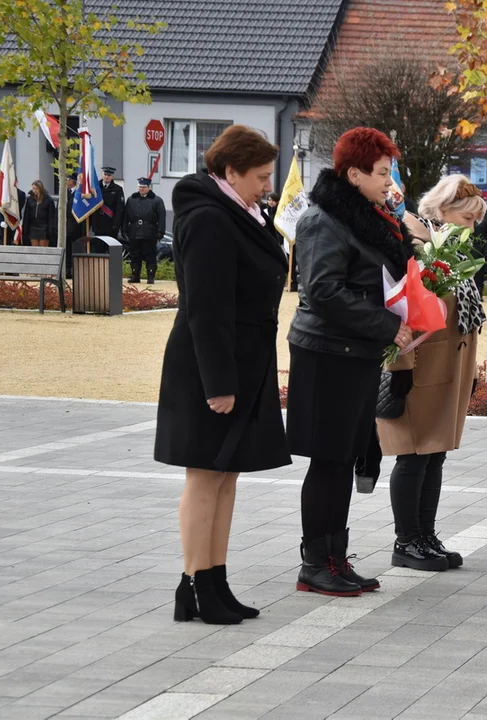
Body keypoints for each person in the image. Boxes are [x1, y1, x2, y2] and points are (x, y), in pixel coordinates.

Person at [154, 125, 290, 624]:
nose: (267, 186)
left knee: (227, 474)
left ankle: (215, 578)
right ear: (229, 172)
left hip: (242, 363)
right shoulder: (210, 219)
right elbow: (206, 311)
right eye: (260, 177)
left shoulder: (242, 212)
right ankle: (193, 583)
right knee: (205, 475)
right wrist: (219, 385)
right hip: (210, 368)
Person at [286, 127, 414, 597]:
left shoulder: (365, 216)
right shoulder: (325, 220)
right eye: (382, 172)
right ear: (354, 173)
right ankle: (316, 564)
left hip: (352, 352)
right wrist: (386, 326)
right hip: (326, 354)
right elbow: (321, 290)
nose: (388, 180)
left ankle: (335, 558)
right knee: (329, 460)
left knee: (343, 460)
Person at [377, 175, 486, 572]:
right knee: (413, 455)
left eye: (476, 220)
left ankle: (426, 535)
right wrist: (399, 365)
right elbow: (402, 307)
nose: (472, 227)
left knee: (435, 453)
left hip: (449, 363)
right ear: (442, 210)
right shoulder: (417, 241)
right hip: (419, 365)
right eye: (468, 217)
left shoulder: (451, 245)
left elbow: (463, 310)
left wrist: (472, 367)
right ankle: (407, 541)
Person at [123, 177, 167, 284]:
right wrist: (124, 229)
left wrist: (161, 231)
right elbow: (126, 216)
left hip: (149, 232)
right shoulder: (131, 199)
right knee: (135, 255)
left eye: (144, 187)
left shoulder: (157, 200)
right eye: (140, 187)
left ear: (149, 187)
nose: (141, 189)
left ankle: (150, 276)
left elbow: (162, 217)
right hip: (134, 231)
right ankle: (135, 275)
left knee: (150, 255)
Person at [90, 166, 124, 240]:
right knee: (98, 248)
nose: (106, 177)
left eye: (109, 175)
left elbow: (119, 208)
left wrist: (116, 224)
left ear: (112, 176)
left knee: (111, 249)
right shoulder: (95, 187)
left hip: (111, 224)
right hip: (97, 223)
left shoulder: (117, 189)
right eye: (105, 175)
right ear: (102, 175)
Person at [23, 180, 55, 247]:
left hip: (44, 227)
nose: (34, 191)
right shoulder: (30, 199)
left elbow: (51, 216)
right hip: (33, 227)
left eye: (36, 189)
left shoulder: (48, 200)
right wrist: (25, 228)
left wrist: (50, 230)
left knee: (43, 248)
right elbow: (26, 215)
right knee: (35, 248)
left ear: (40, 189)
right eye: (33, 188)